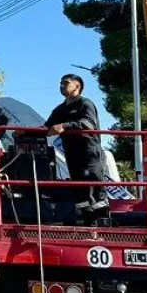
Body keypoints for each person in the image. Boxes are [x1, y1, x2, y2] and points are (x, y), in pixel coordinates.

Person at [44, 73, 109, 222]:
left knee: (94, 187)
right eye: (60, 83)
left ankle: (101, 222)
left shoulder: (85, 103)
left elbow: (89, 123)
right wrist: (25, 131)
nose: (61, 86)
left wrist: (65, 126)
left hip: (89, 152)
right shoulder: (60, 109)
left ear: (77, 86)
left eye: (66, 83)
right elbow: (46, 127)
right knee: (80, 190)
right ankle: (85, 220)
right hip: (72, 153)